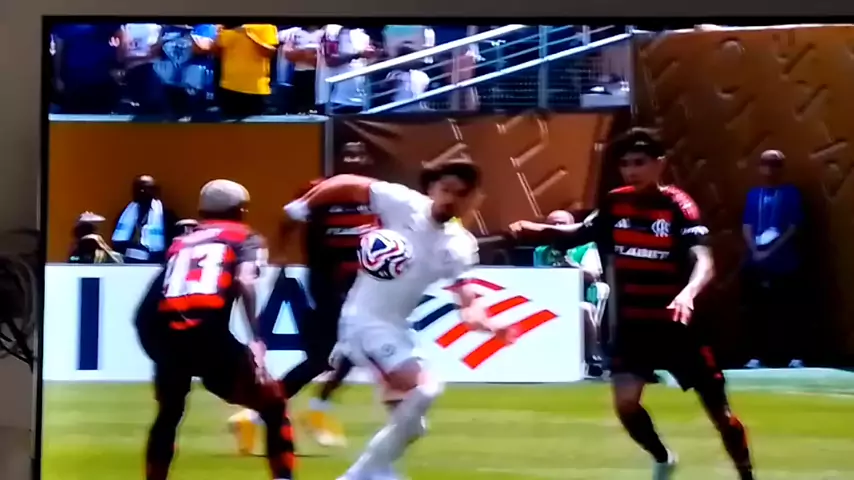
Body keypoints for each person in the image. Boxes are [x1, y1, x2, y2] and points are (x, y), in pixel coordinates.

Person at [506, 128, 754, 480]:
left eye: (639, 163)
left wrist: (688, 292)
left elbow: (704, 260)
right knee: (625, 404)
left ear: (659, 164)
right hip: (634, 326)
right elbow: (578, 233)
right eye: (625, 164)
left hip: (679, 327)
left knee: (722, 417)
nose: (631, 171)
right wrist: (534, 229)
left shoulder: (678, 206)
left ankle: (746, 473)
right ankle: (663, 457)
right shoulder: (614, 203)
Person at [285, 158, 510, 480]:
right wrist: (304, 205)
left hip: (395, 328)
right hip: (363, 323)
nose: (450, 198)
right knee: (427, 390)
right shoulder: (404, 202)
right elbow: (347, 182)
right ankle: (360, 473)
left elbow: (468, 300)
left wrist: (488, 324)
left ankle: (380, 471)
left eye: (461, 193)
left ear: (473, 199)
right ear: (432, 188)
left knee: (413, 426)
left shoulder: (459, 245)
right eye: (445, 189)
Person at [134, 179, 294, 480]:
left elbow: (154, 299)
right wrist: (256, 338)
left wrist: (158, 347)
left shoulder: (181, 242)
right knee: (273, 403)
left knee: (169, 413)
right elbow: (245, 280)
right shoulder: (245, 238)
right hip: (208, 336)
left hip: (163, 334)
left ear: (201, 211)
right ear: (241, 210)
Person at [228, 170, 379, 452]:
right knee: (338, 353)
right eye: (348, 154)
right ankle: (313, 408)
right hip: (328, 284)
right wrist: (281, 253)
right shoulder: (319, 190)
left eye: (359, 155)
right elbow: (289, 220)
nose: (354, 160)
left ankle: (260, 415)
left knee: (336, 355)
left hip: (359, 284)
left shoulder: (372, 193)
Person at [742, 149, 805, 369]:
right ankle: (756, 355)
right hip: (757, 262)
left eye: (775, 164)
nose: (769, 169)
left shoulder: (791, 193)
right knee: (756, 310)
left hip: (785, 262)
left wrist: (771, 251)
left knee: (788, 309)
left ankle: (794, 355)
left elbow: (793, 227)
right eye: (765, 164)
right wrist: (755, 251)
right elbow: (747, 226)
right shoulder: (753, 194)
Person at [111, 175, 175, 264]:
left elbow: (170, 241)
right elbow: (117, 242)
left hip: (155, 262)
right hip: (128, 261)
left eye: (143, 189)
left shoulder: (166, 216)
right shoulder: (124, 215)